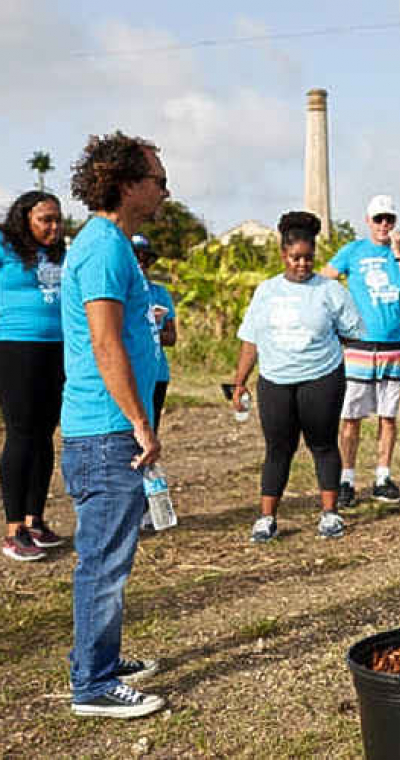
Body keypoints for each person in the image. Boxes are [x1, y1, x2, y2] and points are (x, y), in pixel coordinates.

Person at [61, 131, 168, 718]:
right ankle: (95, 686)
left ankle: (97, 659)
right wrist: (138, 422)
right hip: (105, 431)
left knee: (110, 557)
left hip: (106, 429)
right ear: (127, 183)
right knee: (103, 561)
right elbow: (105, 343)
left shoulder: (113, 243)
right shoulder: (102, 246)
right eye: (157, 180)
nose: (164, 191)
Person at [233, 211, 363, 543]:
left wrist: (326, 348)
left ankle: (330, 514)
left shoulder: (330, 290)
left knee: (322, 444)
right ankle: (266, 518)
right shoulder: (266, 291)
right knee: (278, 448)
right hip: (275, 380)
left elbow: (353, 332)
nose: (302, 264)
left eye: (308, 258)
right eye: (295, 258)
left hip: (321, 378)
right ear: (283, 256)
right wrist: (239, 381)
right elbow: (251, 340)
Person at [319, 195, 400, 507]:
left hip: (394, 345)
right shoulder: (353, 251)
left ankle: (382, 477)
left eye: (389, 219)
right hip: (358, 345)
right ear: (368, 221)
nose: (384, 225)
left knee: (388, 416)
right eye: (378, 219)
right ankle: (346, 480)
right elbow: (324, 281)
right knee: (351, 416)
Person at [0, 191, 66, 561]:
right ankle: (14, 530)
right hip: (14, 347)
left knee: (43, 435)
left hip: (55, 349)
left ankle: (35, 520)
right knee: (22, 432)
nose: (54, 227)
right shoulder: (5, 247)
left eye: (58, 220)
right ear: (24, 218)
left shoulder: (60, 253)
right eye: (45, 220)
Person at [131, 234, 177, 431]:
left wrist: (149, 330)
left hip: (157, 373)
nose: (141, 262)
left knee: (151, 428)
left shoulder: (159, 293)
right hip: (129, 372)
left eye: (145, 258)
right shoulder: (117, 291)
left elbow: (171, 337)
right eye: (135, 256)